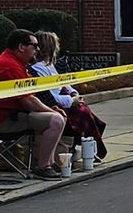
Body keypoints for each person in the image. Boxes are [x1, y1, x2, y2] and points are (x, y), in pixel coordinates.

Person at [0, 29, 68, 177]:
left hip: (13, 114)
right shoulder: (11, 66)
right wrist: (51, 111)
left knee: (57, 117)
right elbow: (28, 101)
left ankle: (49, 163)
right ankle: (42, 167)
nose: (37, 50)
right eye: (34, 46)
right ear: (21, 47)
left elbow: (29, 97)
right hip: (4, 120)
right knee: (56, 120)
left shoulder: (14, 62)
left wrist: (49, 109)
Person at [29, 30, 108, 164]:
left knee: (84, 110)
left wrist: (74, 94)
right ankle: (91, 147)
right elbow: (51, 96)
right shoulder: (38, 69)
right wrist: (72, 101)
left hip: (65, 101)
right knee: (83, 113)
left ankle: (89, 146)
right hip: (55, 105)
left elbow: (64, 84)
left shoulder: (51, 67)